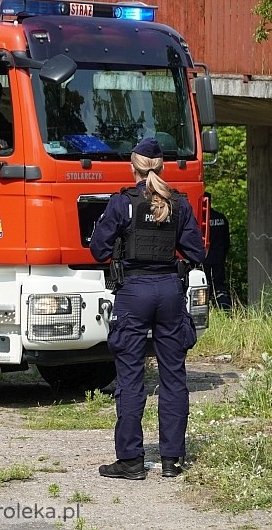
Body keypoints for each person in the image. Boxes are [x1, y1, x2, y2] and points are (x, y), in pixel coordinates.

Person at [88, 136, 206, 480]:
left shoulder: (121, 203)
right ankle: (171, 460)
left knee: (130, 378)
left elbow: (98, 250)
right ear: (162, 167)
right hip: (169, 292)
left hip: (134, 293)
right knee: (173, 377)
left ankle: (131, 461)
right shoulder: (179, 203)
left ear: (133, 167)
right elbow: (196, 253)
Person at [204, 192, 232, 309]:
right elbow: (226, 241)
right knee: (220, 285)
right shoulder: (221, 218)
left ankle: (208, 309)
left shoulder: (201, 219)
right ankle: (225, 308)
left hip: (205, 258)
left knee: (205, 285)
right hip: (219, 257)